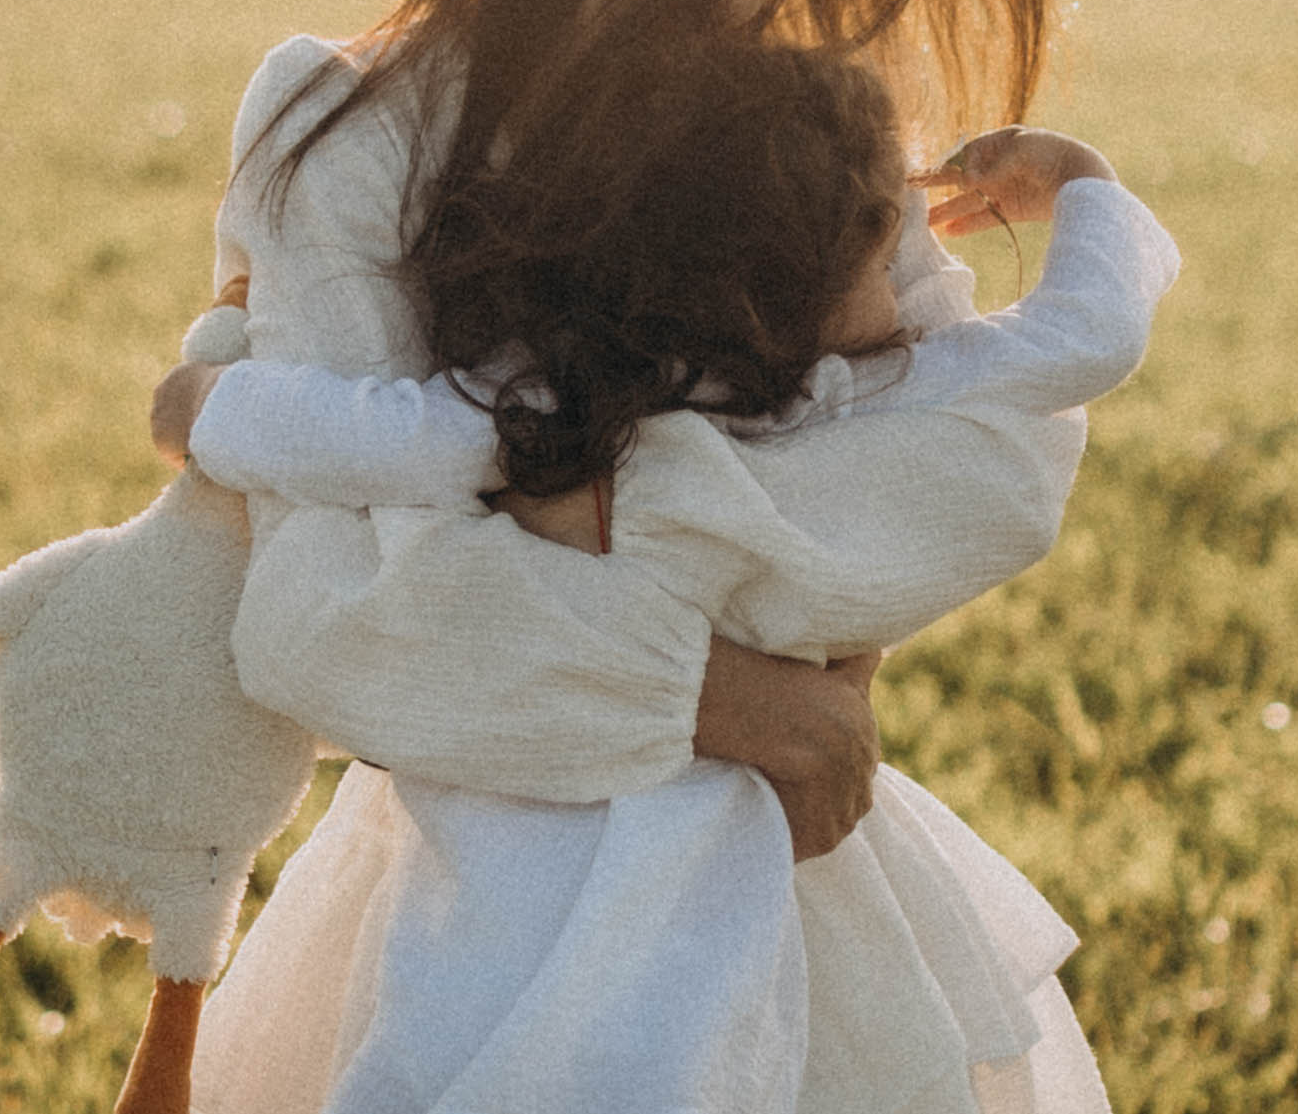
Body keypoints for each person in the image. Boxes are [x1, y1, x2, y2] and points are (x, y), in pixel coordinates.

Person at [156, 0, 1103, 1109]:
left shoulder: (806, 125)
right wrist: (727, 691)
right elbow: (325, 612)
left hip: (805, 911)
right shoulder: (353, 122)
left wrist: (575, 506)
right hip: (482, 927)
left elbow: (986, 467)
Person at [164, 55, 1176, 1113]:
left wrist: (216, 411)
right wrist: (1084, 184)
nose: (910, 300)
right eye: (885, 263)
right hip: (744, 846)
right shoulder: (889, 397)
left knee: (463, 1053)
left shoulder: (568, 411)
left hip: (514, 829)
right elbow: (1086, 340)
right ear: (800, 287)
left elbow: (393, 441)